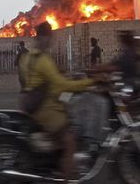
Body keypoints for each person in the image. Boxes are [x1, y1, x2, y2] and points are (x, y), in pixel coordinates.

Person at [20, 22, 95, 183]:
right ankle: (66, 178)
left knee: (66, 106)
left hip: (30, 103)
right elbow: (63, 85)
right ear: (42, 38)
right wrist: (90, 82)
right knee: (70, 141)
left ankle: (55, 160)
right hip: (45, 108)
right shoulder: (43, 60)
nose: (49, 41)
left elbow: (33, 82)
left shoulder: (28, 58)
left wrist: (59, 75)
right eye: (48, 37)